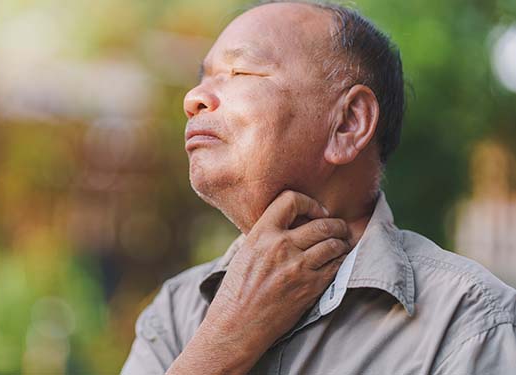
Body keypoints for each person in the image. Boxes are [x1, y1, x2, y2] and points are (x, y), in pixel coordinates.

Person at [122, 1, 516, 374]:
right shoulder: (174, 314)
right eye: (202, 78)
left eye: (241, 72)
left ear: (348, 124)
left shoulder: (468, 320)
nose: (193, 99)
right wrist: (222, 342)